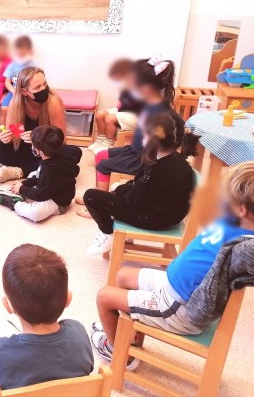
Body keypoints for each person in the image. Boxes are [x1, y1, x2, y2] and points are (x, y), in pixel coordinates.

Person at [91, 162, 254, 369]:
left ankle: (119, 353)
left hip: (181, 308)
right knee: (122, 275)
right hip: (171, 287)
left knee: (104, 297)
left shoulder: (245, 246)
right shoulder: (233, 220)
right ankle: (122, 332)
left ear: (241, 209)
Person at [0, 244, 93, 397]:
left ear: (8, 306)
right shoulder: (79, 333)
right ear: (68, 299)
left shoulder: (2, 354)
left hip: (5, 362)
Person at [83, 110, 199, 255]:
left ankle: (107, 233)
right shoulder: (171, 159)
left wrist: (119, 191)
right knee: (116, 189)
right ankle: (118, 232)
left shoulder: (162, 167)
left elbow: (136, 201)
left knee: (91, 196)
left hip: (154, 219)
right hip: (163, 212)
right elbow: (142, 186)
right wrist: (122, 189)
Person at [76, 57, 175, 203]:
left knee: (103, 166)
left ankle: (99, 203)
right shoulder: (148, 102)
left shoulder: (158, 110)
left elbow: (159, 144)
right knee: (101, 155)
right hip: (135, 149)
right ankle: (99, 192)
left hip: (145, 158)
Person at [0, 67, 81, 183]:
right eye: (37, 87)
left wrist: (38, 138)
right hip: (26, 150)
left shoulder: (53, 102)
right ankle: (42, 168)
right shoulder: (15, 103)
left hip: (46, 151)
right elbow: (13, 139)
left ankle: (20, 171)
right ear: (24, 91)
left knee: (74, 153)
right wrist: (4, 139)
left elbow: (61, 139)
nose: (43, 88)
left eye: (44, 84)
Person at [0, 126, 79, 223]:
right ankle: (20, 193)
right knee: (34, 173)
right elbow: (38, 177)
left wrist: (22, 189)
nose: (32, 147)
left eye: (33, 145)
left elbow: (40, 195)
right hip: (49, 187)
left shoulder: (49, 171)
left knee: (35, 213)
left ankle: (15, 203)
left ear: (40, 152)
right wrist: (23, 184)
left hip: (57, 202)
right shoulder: (53, 157)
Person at [87, 58, 144, 153]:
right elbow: (122, 101)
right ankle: (101, 141)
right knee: (100, 114)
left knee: (110, 119)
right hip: (124, 110)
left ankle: (107, 144)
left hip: (137, 115)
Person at [0, 35, 36, 123]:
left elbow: (36, 82)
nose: (21, 56)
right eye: (19, 54)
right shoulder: (12, 65)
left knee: (26, 111)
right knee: (4, 109)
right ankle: (3, 128)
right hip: (13, 92)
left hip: (27, 93)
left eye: (23, 54)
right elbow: (7, 82)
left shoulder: (33, 66)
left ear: (30, 51)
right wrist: (13, 91)